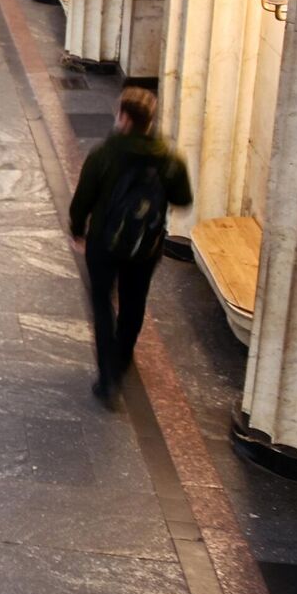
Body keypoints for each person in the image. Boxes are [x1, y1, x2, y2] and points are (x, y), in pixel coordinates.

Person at [68, 87, 193, 405]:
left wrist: (77, 229)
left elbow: (83, 198)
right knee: (134, 301)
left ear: (123, 117)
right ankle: (123, 358)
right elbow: (183, 199)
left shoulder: (104, 154)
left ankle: (107, 377)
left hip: (104, 243)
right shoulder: (169, 158)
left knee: (101, 301)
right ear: (149, 122)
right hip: (145, 245)